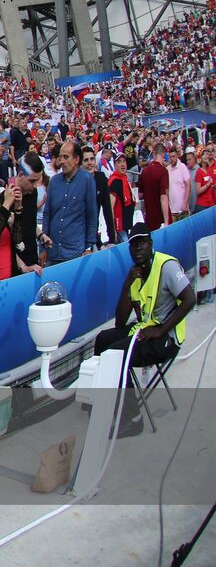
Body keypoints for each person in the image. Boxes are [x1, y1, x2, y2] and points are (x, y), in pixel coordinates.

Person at [92, 223, 197, 437]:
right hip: (145, 330)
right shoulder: (136, 274)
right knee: (102, 340)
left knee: (117, 355)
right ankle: (101, 398)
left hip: (166, 338)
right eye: (133, 244)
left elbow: (190, 299)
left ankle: (133, 419)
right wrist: (128, 283)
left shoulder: (166, 266)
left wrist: (160, 330)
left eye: (142, 242)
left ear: (151, 244)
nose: (138, 248)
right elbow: (120, 323)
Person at [41, 140, 97, 265]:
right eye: (60, 157)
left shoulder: (87, 180)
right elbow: (47, 214)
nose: (61, 161)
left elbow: (92, 216)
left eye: (66, 157)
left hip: (75, 253)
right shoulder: (54, 181)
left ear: (76, 159)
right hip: (52, 252)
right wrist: (43, 247)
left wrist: (89, 247)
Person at [137, 152, 170, 230]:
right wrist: (166, 222)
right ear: (163, 156)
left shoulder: (144, 172)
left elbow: (140, 195)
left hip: (150, 218)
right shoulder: (163, 171)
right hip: (161, 218)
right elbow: (163, 196)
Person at [107, 154, 136, 242]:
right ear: (115, 165)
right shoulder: (114, 181)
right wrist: (113, 230)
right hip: (119, 227)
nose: (122, 164)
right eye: (119, 162)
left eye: (124, 161)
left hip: (127, 225)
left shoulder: (124, 179)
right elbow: (110, 207)